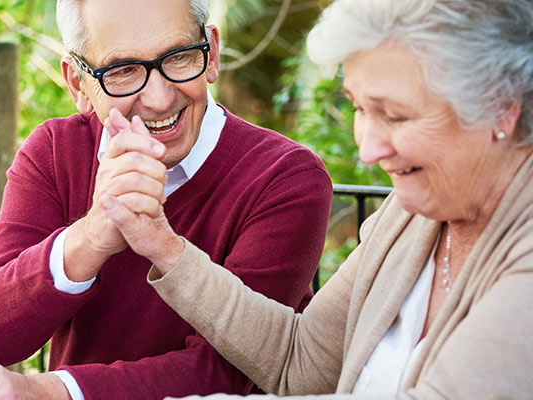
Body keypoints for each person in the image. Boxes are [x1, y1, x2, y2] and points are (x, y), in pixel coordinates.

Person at [97, 0, 533, 398]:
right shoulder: (410, 217)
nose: (369, 149)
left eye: (394, 115)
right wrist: (161, 242)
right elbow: (299, 364)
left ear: (501, 107)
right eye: (360, 109)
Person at [0, 0, 332, 399]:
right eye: (122, 71)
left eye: (178, 57)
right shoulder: (54, 151)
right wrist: (92, 235)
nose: (158, 98)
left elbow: (228, 371)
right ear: (78, 84)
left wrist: (51, 392)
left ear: (211, 55)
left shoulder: (285, 176)